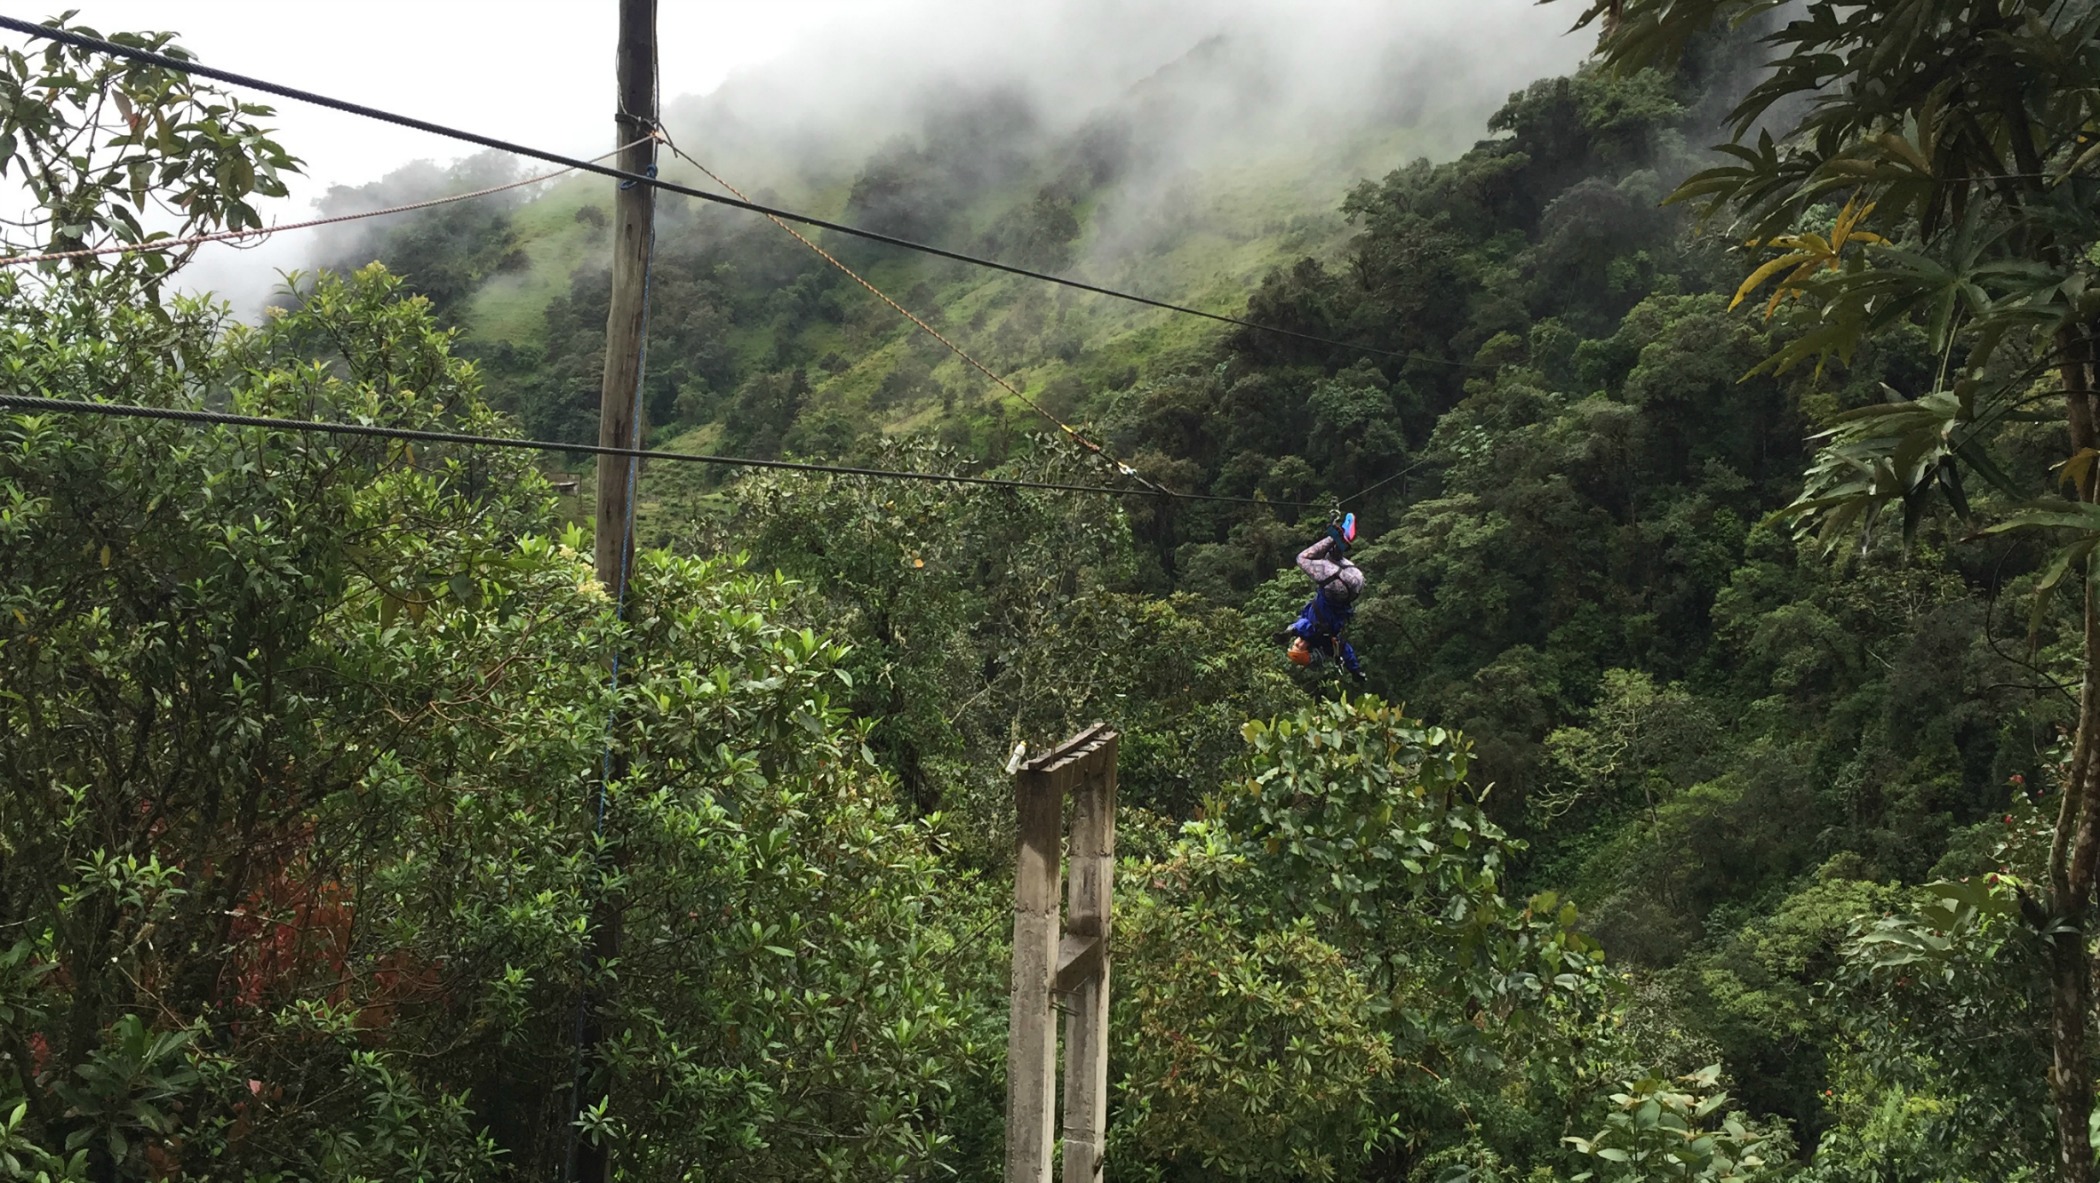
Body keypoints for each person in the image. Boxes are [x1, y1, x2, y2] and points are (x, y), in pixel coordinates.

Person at [1284, 514, 1364, 679]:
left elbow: (1346, 651)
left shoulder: (1329, 646)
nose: (1297, 642)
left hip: (1355, 583)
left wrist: (1355, 671)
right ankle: (1339, 537)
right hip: (1338, 586)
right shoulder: (1311, 632)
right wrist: (1289, 631)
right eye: (1298, 646)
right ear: (1307, 649)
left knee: (1329, 558)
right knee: (1302, 558)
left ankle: (1344, 536)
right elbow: (1303, 627)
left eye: (1295, 643)